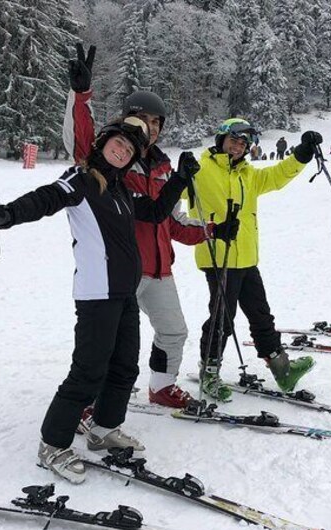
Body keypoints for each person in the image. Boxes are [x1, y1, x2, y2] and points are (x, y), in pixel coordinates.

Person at [0, 117, 201, 483]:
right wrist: (7, 215)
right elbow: (46, 199)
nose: (122, 151)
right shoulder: (80, 180)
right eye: (118, 144)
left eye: (129, 150)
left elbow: (157, 213)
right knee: (88, 372)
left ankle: (104, 429)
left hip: (125, 293)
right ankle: (52, 444)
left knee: (125, 367)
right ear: (103, 143)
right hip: (97, 295)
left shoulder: (122, 190)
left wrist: (179, 180)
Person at [65, 44, 220, 408]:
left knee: (173, 331)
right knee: (107, 342)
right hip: (119, 271)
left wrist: (212, 230)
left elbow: (173, 221)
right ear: (128, 120)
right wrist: (79, 95)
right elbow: (80, 141)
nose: (151, 128)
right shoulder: (111, 157)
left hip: (159, 270)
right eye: (144, 119)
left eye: (157, 122)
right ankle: (88, 401)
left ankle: (162, 387)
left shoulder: (162, 166)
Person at [189, 118, 321, 400]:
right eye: (233, 140)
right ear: (221, 140)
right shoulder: (200, 169)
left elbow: (277, 175)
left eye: (243, 143)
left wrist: (302, 154)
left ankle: (282, 369)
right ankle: (209, 372)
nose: (237, 147)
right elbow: (174, 190)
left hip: (247, 258)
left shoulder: (247, 174)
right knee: (222, 318)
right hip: (218, 257)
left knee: (261, 314)